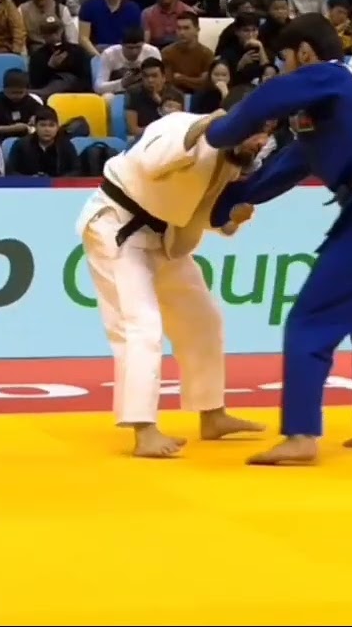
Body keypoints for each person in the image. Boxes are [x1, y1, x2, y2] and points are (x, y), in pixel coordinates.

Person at [203, 13, 352, 466]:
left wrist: (215, 133)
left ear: (305, 53)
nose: (282, 70)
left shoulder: (332, 75)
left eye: (285, 60)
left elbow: (266, 99)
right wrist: (222, 205)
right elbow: (279, 173)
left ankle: (301, 435)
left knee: (310, 321)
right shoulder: (333, 115)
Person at [73, 108, 270, 457]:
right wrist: (204, 127)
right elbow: (151, 163)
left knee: (203, 319)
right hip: (117, 226)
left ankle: (212, 413)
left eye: (266, 133)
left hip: (163, 237)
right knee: (141, 325)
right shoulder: (179, 126)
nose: (260, 142)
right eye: (256, 131)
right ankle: (144, 430)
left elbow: (197, 211)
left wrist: (232, 219)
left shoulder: (231, 161)